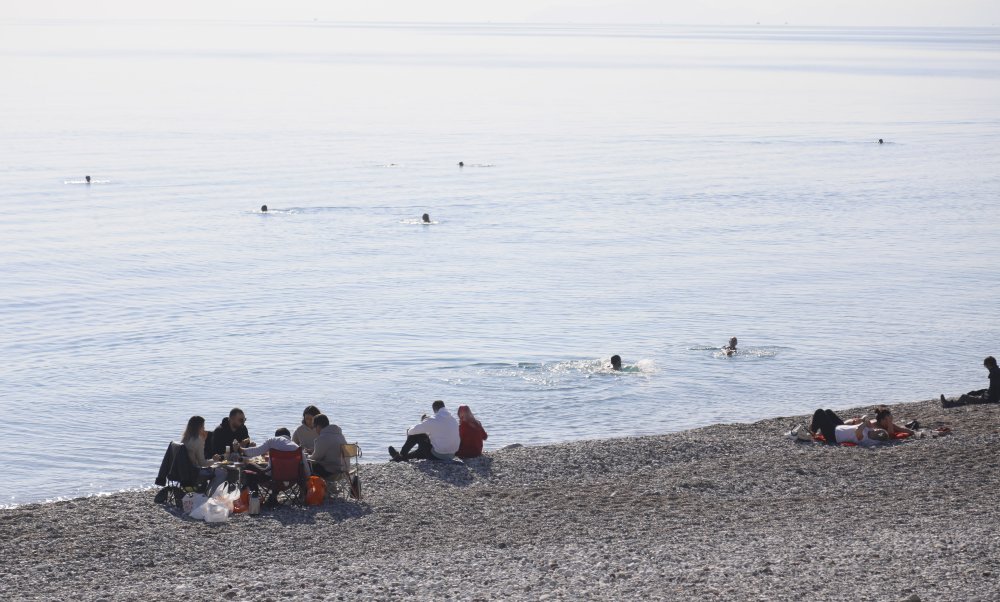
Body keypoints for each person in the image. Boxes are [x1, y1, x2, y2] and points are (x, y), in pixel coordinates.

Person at [388, 400, 460, 462]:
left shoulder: (433, 419)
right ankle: (401, 458)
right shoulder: (453, 419)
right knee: (421, 450)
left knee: (416, 434)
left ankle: (402, 454)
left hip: (438, 455)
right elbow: (439, 431)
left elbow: (412, 431)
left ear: (434, 409)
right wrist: (426, 422)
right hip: (451, 455)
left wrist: (423, 422)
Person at [240, 427, 305, 491]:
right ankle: (272, 497)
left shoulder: (273, 440)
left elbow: (256, 451)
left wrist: (241, 449)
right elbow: (305, 466)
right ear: (289, 437)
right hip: (292, 479)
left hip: (271, 478)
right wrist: (307, 478)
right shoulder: (297, 448)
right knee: (272, 468)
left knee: (249, 466)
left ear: (275, 436)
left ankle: (254, 496)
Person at [809, 409, 890, 447]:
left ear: (877, 436)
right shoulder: (870, 430)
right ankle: (818, 430)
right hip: (840, 427)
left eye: (879, 431)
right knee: (828, 412)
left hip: (834, 435)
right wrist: (863, 420)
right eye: (879, 429)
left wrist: (864, 423)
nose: (877, 429)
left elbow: (858, 430)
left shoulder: (866, 439)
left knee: (819, 412)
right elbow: (859, 424)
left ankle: (811, 433)